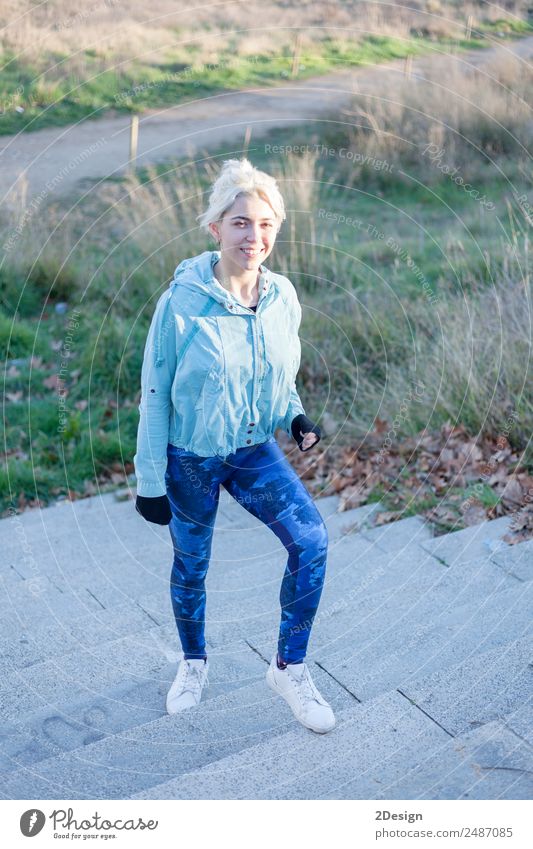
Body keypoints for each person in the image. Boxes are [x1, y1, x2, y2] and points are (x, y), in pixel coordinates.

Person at [133, 158, 334, 734]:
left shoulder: (283, 299)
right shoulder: (180, 303)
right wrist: (151, 482)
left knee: (312, 540)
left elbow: (281, 373)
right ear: (215, 228)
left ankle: (289, 668)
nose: (256, 236)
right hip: (190, 458)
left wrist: (294, 417)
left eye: (266, 224)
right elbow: (155, 394)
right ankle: (193, 663)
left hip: (251, 449)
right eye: (241, 222)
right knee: (192, 565)